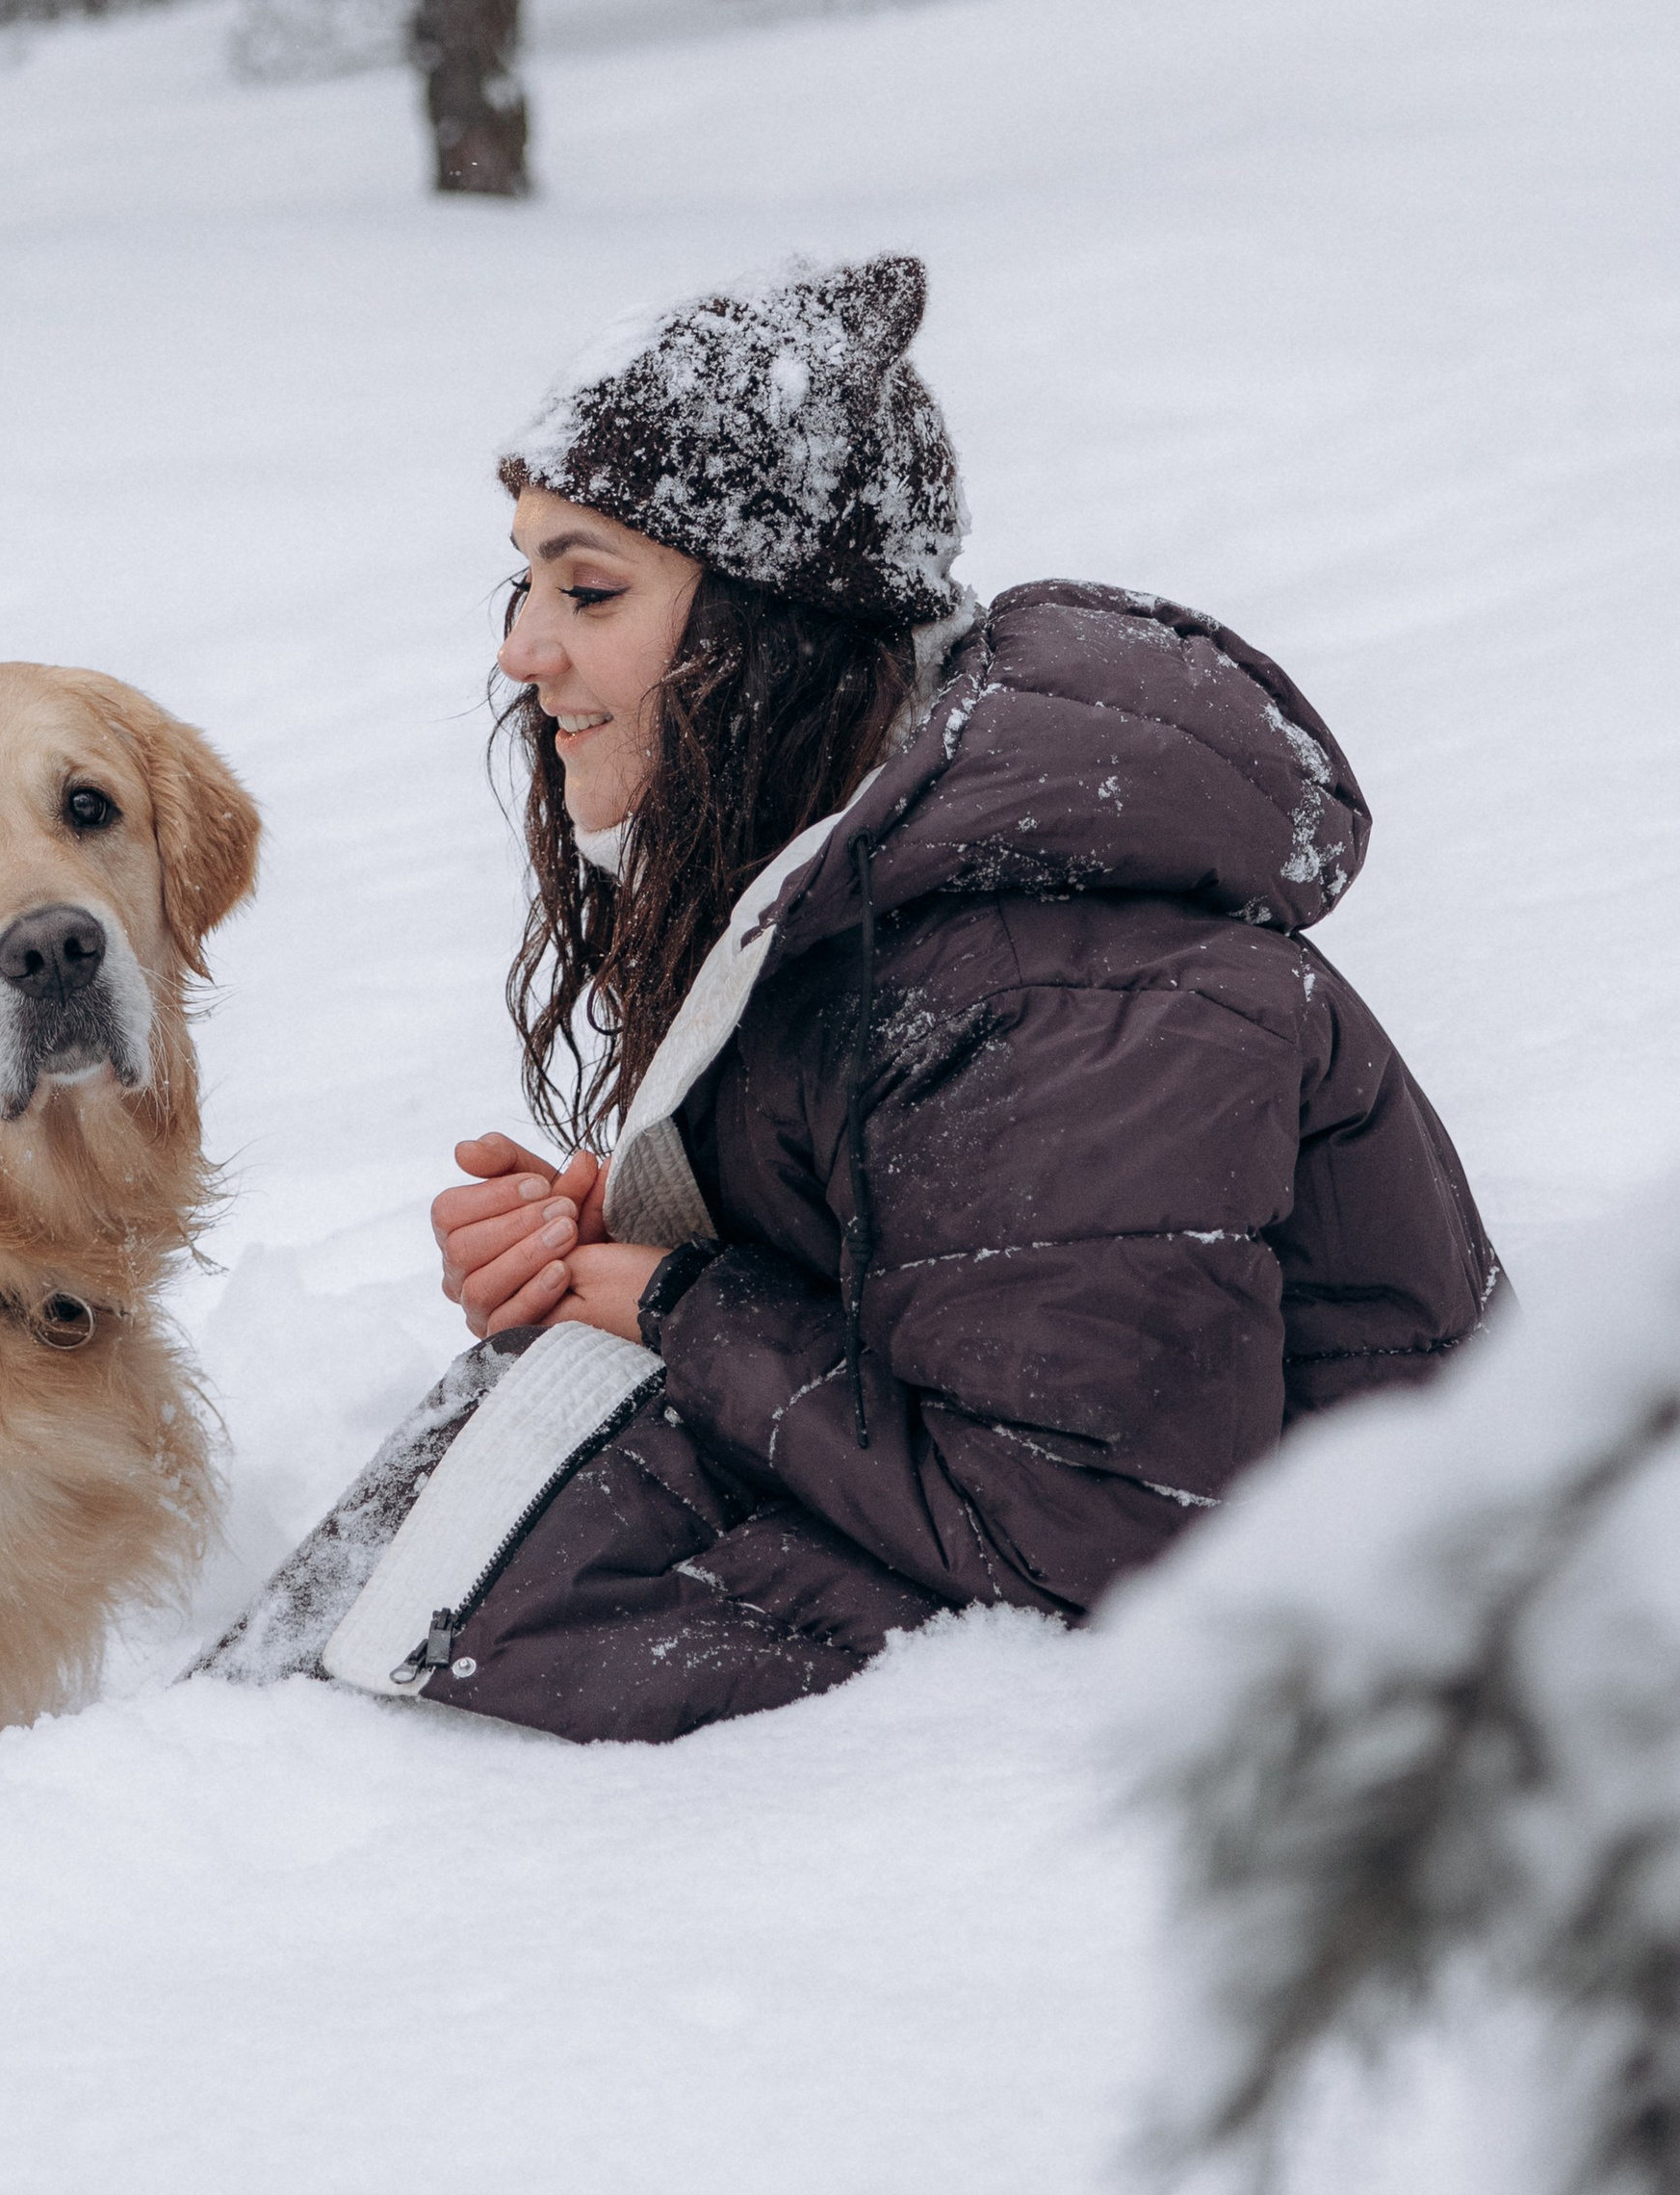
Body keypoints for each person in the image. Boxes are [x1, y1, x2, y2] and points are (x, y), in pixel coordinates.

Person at [203, 252, 1504, 1742]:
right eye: (526, 580)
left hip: (1346, 1715)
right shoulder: (853, 890)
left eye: (589, 588)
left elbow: (1092, 1536)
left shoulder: (1047, 992)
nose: (521, 650)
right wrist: (625, 1243)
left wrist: (681, 1303)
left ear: (776, 627)